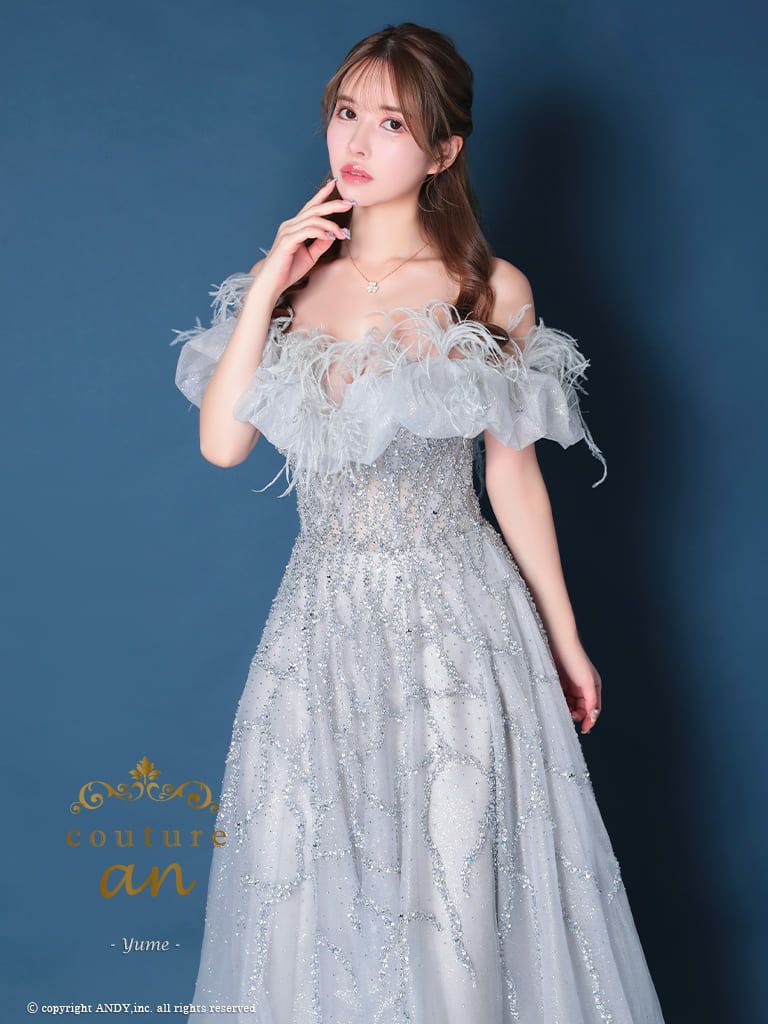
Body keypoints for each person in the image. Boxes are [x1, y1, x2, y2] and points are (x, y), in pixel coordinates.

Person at [170, 21, 666, 1024]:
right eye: (346, 112)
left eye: (392, 123)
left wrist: (566, 640)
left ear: (444, 151)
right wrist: (270, 280)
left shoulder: (489, 288)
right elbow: (222, 444)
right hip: (321, 624)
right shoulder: (297, 283)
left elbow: (513, 475)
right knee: (315, 883)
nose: (357, 141)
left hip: (457, 623)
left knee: (457, 886)